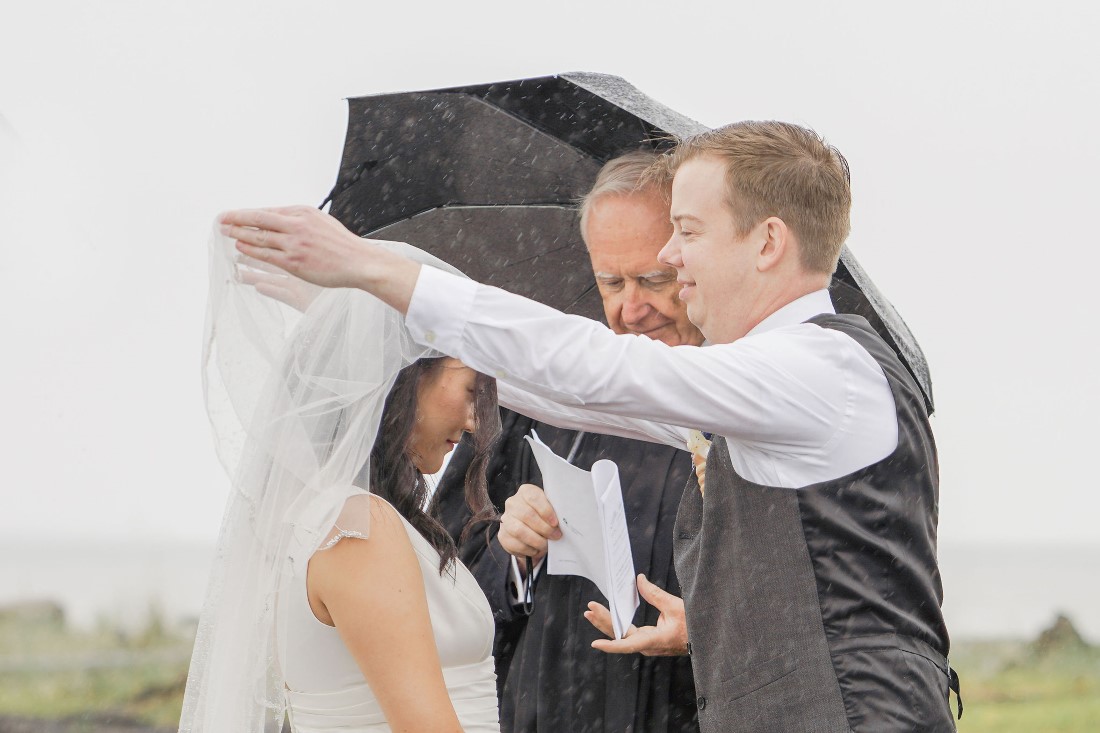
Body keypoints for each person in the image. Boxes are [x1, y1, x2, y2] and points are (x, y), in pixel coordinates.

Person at [221, 119, 959, 732]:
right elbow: (585, 398)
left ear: (767, 243)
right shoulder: (775, 383)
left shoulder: (818, 370)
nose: (670, 255)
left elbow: (601, 369)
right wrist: (366, 324)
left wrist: (373, 267)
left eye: (688, 232)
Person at [180, 234, 504, 732]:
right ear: (405, 376)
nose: (475, 421)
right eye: (468, 388)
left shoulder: (326, 517)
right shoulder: (357, 529)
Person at [432, 151, 701, 732]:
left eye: (655, 280)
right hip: (548, 709)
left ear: (698, 261)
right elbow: (440, 576)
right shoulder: (542, 392)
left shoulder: (754, 410)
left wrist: (701, 633)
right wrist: (512, 551)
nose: (631, 309)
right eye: (610, 282)